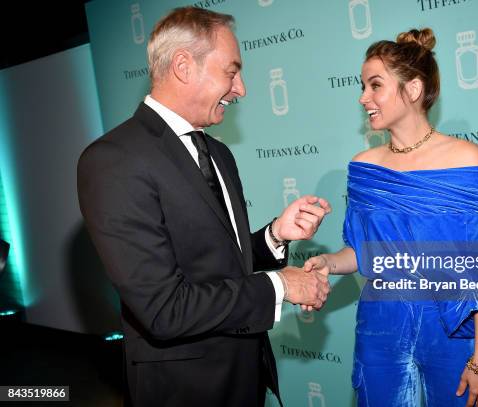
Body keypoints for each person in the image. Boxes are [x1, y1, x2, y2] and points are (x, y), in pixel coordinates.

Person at [77, 7, 331, 407]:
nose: (242, 88)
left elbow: (216, 265)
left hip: (246, 375)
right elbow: (163, 310)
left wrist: (274, 235)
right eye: (232, 72)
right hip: (185, 390)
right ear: (183, 66)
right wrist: (282, 283)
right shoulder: (113, 160)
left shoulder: (218, 153)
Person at [304, 28, 478, 406]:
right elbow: (363, 253)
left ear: (412, 90)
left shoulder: (465, 158)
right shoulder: (363, 166)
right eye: (363, 86)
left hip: (451, 326)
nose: (363, 98)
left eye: (375, 85)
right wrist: (328, 263)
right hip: (380, 327)